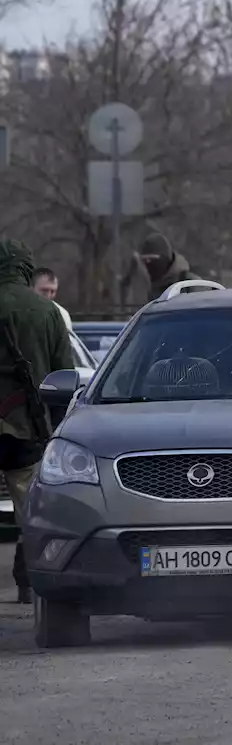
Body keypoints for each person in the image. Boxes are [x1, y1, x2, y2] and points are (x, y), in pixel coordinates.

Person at [0, 240, 74, 604]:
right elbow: (66, 376)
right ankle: (32, 584)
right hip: (28, 429)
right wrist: (58, 431)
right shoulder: (48, 313)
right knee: (31, 514)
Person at [137, 232, 199, 301]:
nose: (148, 263)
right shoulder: (151, 286)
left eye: (153, 259)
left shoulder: (191, 284)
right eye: (145, 260)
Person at [31, 267, 73, 333]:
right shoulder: (17, 311)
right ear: (31, 288)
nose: (49, 295)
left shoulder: (62, 314)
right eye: (44, 290)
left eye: (52, 291)